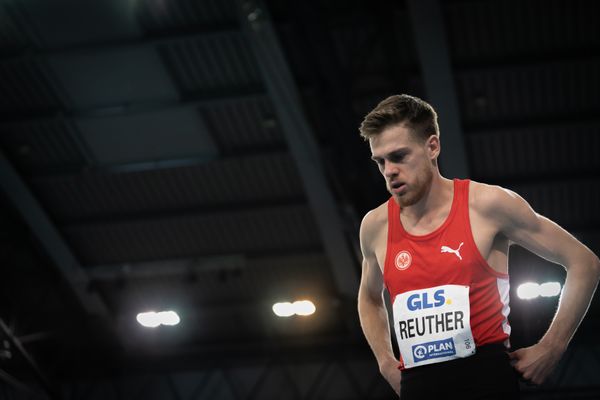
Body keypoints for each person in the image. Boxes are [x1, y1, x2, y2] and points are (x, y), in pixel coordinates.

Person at [356, 94, 600, 399]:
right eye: (380, 161)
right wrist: (385, 362)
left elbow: (584, 263)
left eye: (399, 156)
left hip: (485, 379)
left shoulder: (487, 205)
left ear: (432, 146)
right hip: (417, 384)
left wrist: (553, 346)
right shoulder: (376, 225)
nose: (389, 170)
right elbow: (369, 297)